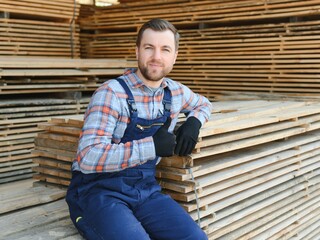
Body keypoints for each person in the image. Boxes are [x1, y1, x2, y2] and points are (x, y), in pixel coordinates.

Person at [66, 18, 212, 240]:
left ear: (175, 56)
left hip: (145, 190)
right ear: (137, 51)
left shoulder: (175, 92)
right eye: (149, 48)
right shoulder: (111, 94)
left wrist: (194, 122)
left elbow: (203, 103)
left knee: (195, 238)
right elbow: (88, 156)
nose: (156, 57)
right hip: (99, 193)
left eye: (165, 49)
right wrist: (150, 146)